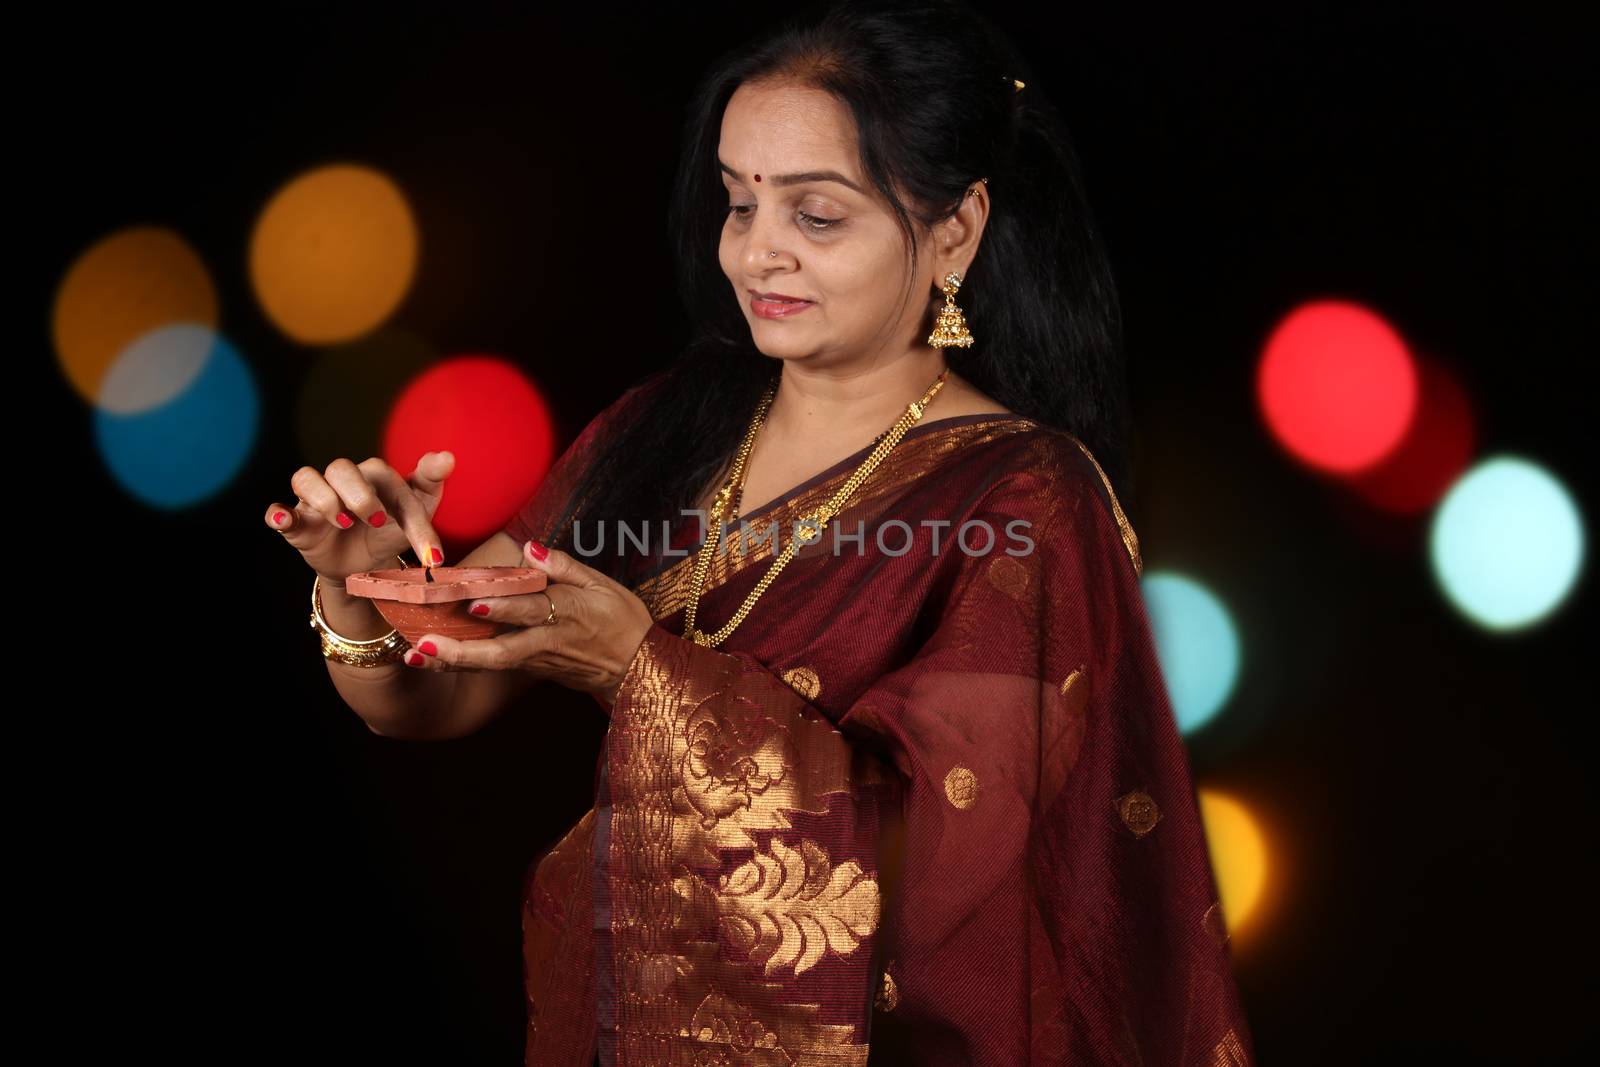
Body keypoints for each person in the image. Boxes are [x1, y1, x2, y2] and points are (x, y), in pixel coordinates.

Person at [266, 2, 1257, 1063]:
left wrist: (642, 675)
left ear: (954, 230)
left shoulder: (1022, 498)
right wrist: (360, 588)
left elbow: (969, 889)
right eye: (739, 204)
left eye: (816, 215)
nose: (758, 254)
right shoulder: (666, 426)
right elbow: (430, 689)